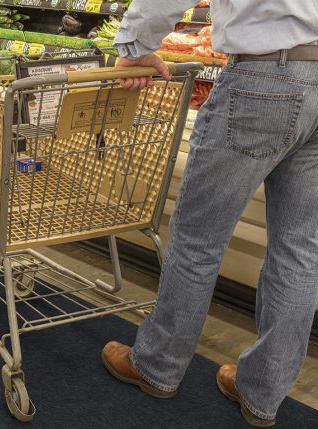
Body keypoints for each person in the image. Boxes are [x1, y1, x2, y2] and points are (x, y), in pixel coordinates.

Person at [101, 1, 318, 427]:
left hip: (262, 78)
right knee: (301, 249)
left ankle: (157, 366)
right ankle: (263, 392)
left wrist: (134, 45)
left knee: (198, 239)